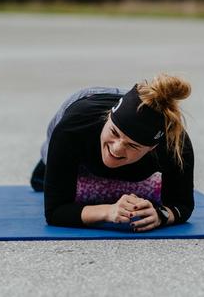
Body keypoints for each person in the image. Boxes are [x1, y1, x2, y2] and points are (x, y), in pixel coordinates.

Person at [30, 73, 194, 232]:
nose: (116, 148)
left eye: (132, 145)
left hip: (137, 144)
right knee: (44, 176)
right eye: (114, 133)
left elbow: (182, 204)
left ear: (152, 148)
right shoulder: (74, 125)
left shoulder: (175, 147)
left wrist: (160, 216)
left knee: (132, 179)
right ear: (108, 117)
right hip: (85, 108)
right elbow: (55, 212)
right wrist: (108, 211)